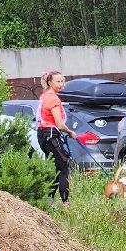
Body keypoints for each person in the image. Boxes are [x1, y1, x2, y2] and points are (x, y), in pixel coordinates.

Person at [37, 70, 81, 206]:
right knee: (64, 168)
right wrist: (70, 132)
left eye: (62, 81)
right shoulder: (54, 99)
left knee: (56, 167)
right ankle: (65, 202)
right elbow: (59, 124)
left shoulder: (44, 96)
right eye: (58, 81)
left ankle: (49, 199)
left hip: (42, 134)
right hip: (51, 135)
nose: (61, 84)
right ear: (50, 82)